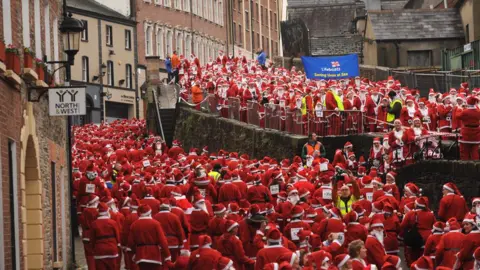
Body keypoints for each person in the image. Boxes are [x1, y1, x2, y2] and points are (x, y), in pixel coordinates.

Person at [127, 204, 173, 270]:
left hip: (140, 255)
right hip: (154, 255)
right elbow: (163, 241)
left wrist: (135, 252)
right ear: (150, 213)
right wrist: (167, 255)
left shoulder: (134, 224)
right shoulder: (155, 224)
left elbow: (130, 243)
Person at [91, 202, 121, 270]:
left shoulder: (94, 224)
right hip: (111, 248)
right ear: (107, 212)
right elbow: (117, 237)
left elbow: (92, 239)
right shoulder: (113, 223)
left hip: (99, 249)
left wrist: (93, 248)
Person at [457, 96, 480, 160]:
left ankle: (465, 166)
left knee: (464, 151)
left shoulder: (465, 112)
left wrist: (459, 108)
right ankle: (475, 166)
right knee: (475, 151)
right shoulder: (478, 111)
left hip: (466, 133)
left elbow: (457, 116)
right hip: (476, 133)